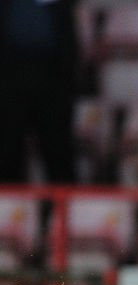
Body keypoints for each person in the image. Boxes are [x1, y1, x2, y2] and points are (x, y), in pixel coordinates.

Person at [0, 0, 78, 183]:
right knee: (7, 152)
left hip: (53, 79)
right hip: (8, 79)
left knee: (58, 152)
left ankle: (62, 208)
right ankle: (7, 208)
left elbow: (68, 37)